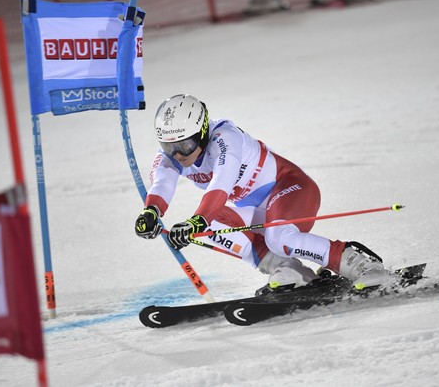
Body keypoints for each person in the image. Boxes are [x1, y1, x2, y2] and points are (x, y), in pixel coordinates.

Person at [134, 94, 399, 292]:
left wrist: (195, 220)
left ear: (202, 132)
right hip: (256, 206)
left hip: (290, 189)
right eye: (169, 146)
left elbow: (221, 186)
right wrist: (151, 212)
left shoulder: (225, 138)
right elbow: (162, 183)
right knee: (210, 226)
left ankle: (361, 265)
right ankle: (291, 271)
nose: (177, 155)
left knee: (280, 238)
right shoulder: (171, 156)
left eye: (184, 145)